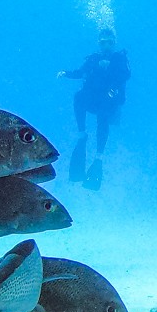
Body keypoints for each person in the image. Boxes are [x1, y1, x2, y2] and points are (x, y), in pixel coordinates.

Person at [57, 28, 130, 190]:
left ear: (114, 43)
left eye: (110, 43)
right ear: (99, 43)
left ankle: (99, 156)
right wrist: (66, 73)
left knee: (103, 113)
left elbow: (125, 75)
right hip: (93, 100)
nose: (107, 46)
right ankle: (82, 134)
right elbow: (80, 72)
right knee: (78, 97)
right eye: (103, 43)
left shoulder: (120, 58)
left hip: (108, 103)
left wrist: (110, 67)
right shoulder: (93, 59)